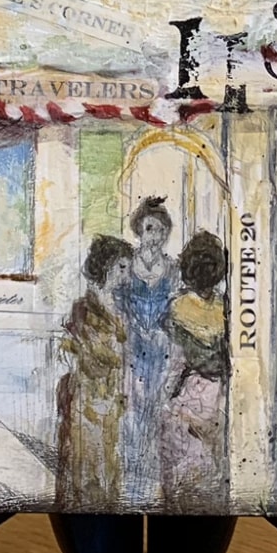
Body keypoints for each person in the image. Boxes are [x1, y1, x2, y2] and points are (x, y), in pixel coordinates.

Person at [57, 235, 132, 509]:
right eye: (121, 268)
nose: (125, 276)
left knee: (108, 459)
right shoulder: (84, 308)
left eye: (127, 269)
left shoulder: (118, 307)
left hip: (110, 399)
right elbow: (91, 356)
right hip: (89, 397)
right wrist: (114, 359)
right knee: (87, 461)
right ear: (106, 265)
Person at [161, 231, 231, 509]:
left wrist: (166, 395)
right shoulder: (225, 308)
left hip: (189, 394)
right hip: (216, 396)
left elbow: (172, 361)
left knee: (181, 468)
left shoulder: (177, 307)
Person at [118, 196, 177, 506]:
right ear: (139, 230)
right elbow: (119, 300)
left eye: (160, 230)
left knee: (155, 408)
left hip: (160, 347)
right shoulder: (128, 265)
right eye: (150, 229)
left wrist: (161, 329)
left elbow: (174, 307)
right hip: (133, 345)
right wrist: (134, 327)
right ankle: (132, 474)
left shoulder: (172, 268)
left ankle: (149, 477)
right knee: (134, 407)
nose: (155, 236)